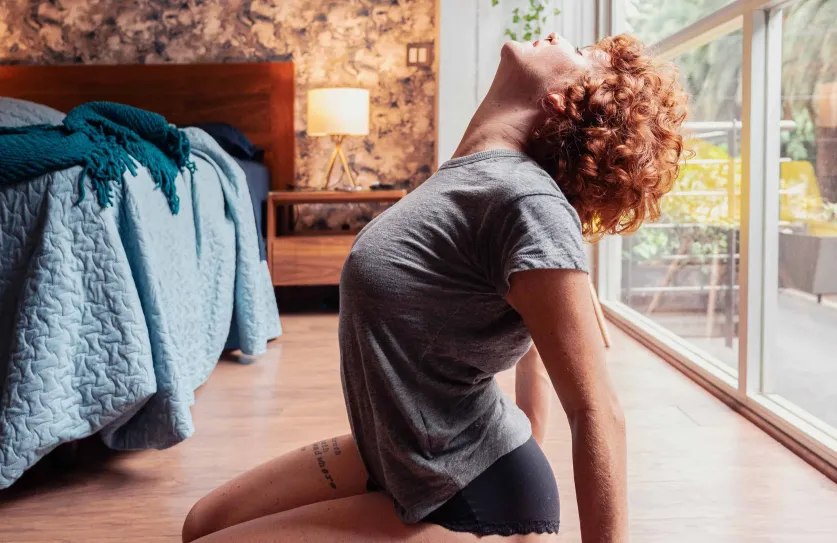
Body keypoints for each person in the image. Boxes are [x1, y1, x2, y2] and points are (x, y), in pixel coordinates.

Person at [182, 32, 687, 543]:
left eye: (578, 53)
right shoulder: (470, 177)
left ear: (562, 99)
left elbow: (597, 410)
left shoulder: (526, 201)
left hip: (478, 497)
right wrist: (531, 425)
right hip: (400, 454)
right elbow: (534, 348)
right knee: (202, 523)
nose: (557, 36)